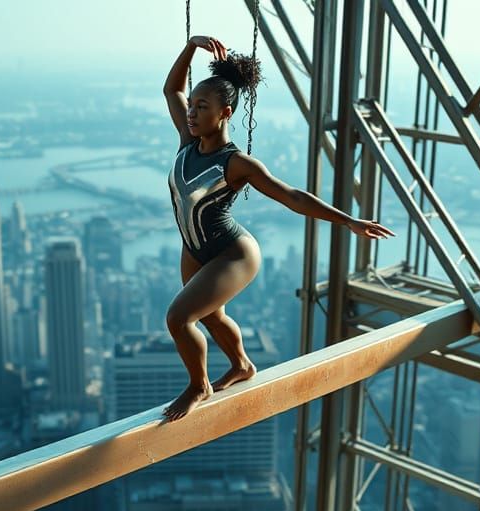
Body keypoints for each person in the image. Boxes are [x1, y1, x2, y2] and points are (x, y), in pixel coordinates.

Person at [161, 34, 394, 421]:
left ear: (226, 113)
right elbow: (173, 89)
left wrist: (349, 221)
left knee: (178, 318)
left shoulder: (236, 163)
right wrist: (190, 46)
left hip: (233, 253)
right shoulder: (187, 142)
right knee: (210, 315)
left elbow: (293, 197)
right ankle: (241, 367)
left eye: (202, 107)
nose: (192, 112)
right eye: (193, 105)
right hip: (195, 249)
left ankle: (198, 385)